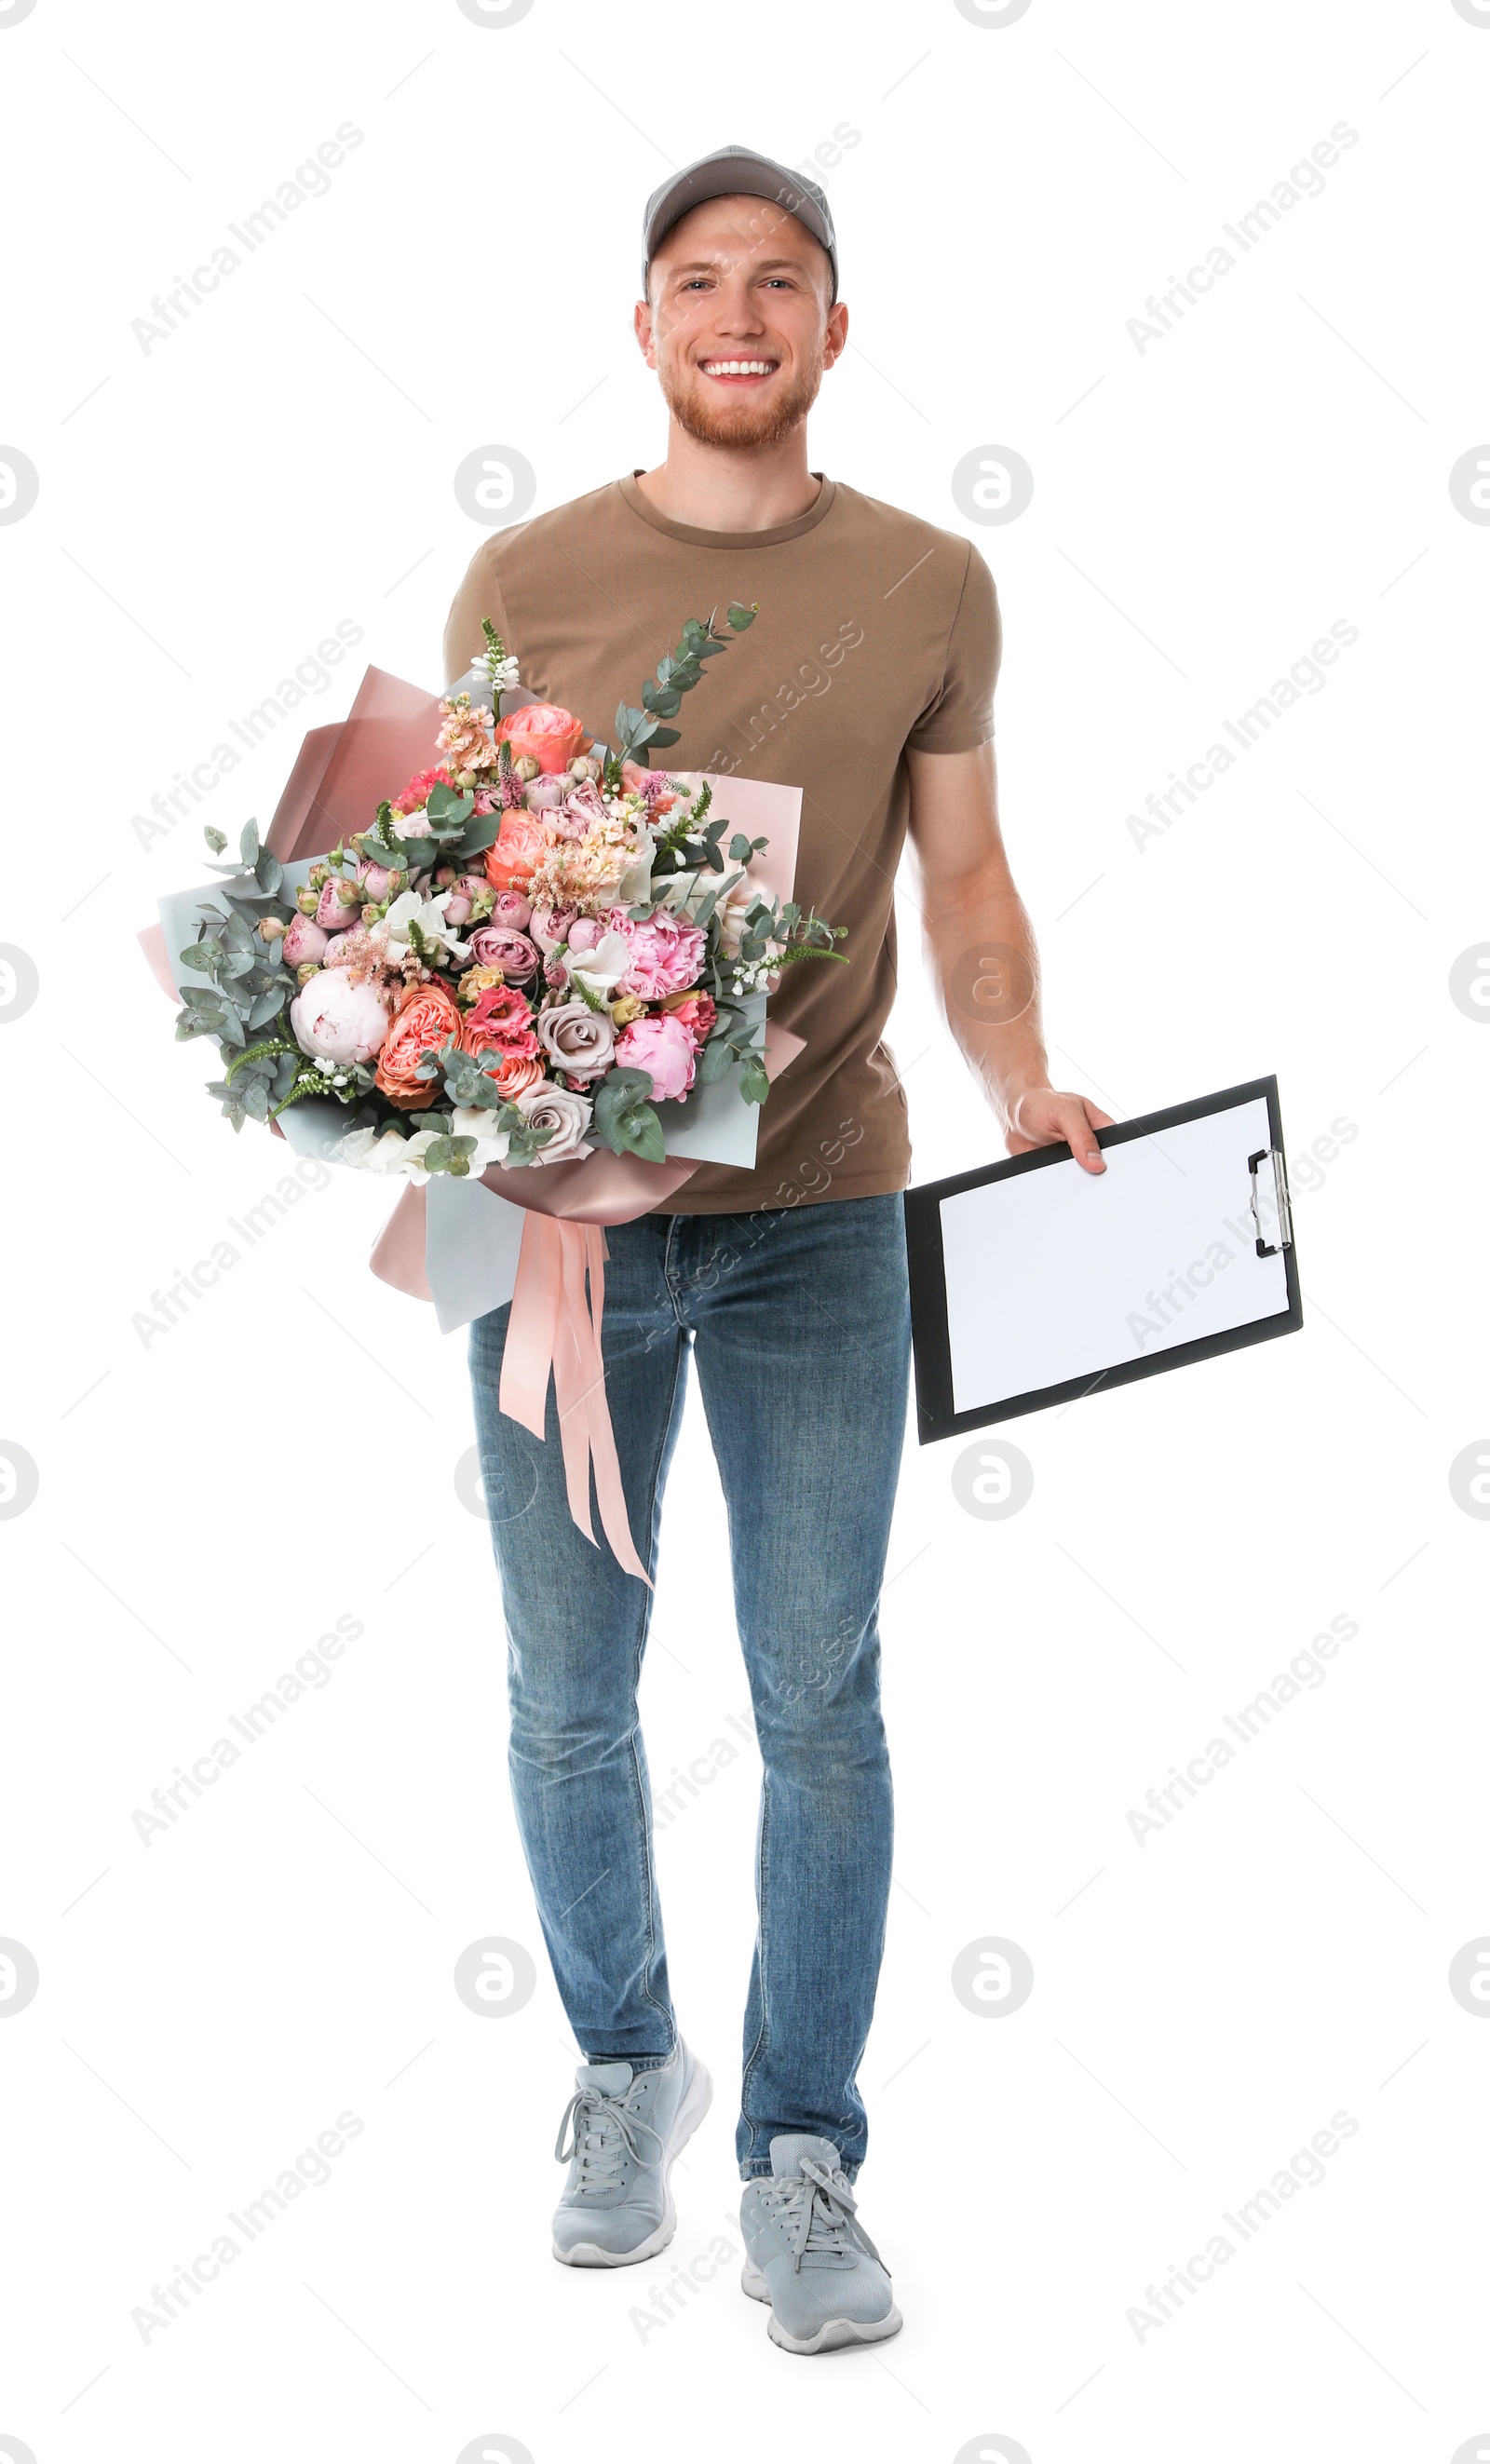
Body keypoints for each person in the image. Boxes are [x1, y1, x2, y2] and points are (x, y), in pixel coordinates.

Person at [444, 143, 1111, 2357]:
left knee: (818, 1699)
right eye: (696, 282)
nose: (739, 314)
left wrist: (1021, 1079)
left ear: (837, 328)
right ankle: (623, 2069)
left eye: (783, 283)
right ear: (641, 327)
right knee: (566, 1697)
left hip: (823, 1212)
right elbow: (463, 898)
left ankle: (798, 2155)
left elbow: (970, 885)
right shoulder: (524, 575)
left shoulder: (927, 584)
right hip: (561, 1227)